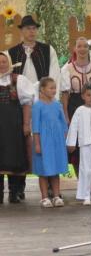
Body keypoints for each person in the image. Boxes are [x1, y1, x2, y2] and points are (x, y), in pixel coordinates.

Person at [9, 14, 60, 200]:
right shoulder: (12, 53)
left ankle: (52, 187)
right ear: (21, 31)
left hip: (43, 103)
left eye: (34, 28)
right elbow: (7, 78)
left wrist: (51, 97)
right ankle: (18, 187)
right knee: (20, 144)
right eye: (28, 28)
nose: (31, 31)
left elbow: (55, 76)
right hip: (20, 107)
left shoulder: (47, 50)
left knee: (45, 142)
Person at [61, 37, 91, 177]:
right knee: (78, 146)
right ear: (75, 49)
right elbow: (65, 95)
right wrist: (66, 116)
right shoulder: (67, 69)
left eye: (85, 47)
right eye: (79, 46)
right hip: (75, 106)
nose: (82, 49)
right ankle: (82, 181)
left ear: (88, 49)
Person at [0, 51, 34, 204]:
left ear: (9, 62)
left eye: (4, 61)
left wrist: (26, 124)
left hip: (14, 127)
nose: (1, 65)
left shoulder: (18, 80)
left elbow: (27, 104)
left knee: (15, 157)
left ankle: (15, 192)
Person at [32, 77, 68, 208]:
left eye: (55, 88)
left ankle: (57, 196)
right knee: (44, 170)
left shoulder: (58, 105)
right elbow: (35, 127)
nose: (54, 90)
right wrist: (37, 144)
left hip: (57, 141)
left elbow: (63, 124)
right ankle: (44, 197)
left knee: (55, 169)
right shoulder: (37, 106)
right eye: (51, 88)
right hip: (43, 141)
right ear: (42, 89)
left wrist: (65, 139)